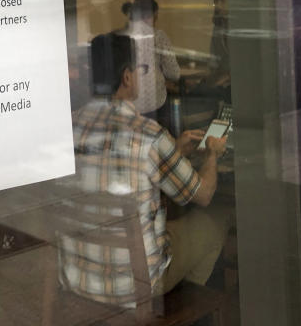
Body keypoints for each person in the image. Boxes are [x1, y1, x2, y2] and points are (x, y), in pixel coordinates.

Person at [61, 32, 229, 305]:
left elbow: (112, 159)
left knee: (169, 228)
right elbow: (204, 194)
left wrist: (173, 148)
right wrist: (212, 154)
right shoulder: (148, 135)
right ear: (127, 77)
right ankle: (181, 311)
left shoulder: (68, 126)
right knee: (214, 223)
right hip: (133, 285)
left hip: (77, 277)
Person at [117, 0, 180, 122]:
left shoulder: (119, 36)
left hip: (126, 106)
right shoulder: (158, 36)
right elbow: (174, 73)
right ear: (152, 15)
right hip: (155, 104)